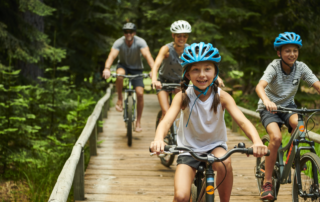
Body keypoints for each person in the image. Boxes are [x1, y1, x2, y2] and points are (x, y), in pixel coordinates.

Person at [150, 42, 268, 202]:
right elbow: (166, 121)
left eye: (207, 69)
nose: (202, 75)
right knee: (181, 196)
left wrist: (256, 141)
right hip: (188, 149)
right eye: (195, 70)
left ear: (215, 72)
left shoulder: (222, 97)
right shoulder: (183, 96)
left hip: (214, 147)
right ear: (187, 74)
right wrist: (158, 139)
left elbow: (243, 121)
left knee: (225, 162)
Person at [255, 32, 320, 200]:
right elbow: (260, 86)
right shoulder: (274, 67)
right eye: (287, 51)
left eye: (295, 50)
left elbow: (317, 84)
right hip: (268, 108)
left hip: (288, 107)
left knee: (300, 126)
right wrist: (267, 100)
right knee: (275, 139)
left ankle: (295, 158)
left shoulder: (301, 67)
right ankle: (267, 183)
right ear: (279, 53)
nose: (292, 54)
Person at [152, 20, 224, 121]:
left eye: (184, 36)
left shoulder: (189, 50)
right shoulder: (166, 49)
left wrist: (218, 77)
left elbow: (203, 63)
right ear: (173, 35)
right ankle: (160, 133)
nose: (182, 38)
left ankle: (176, 132)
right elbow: (156, 65)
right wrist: (155, 80)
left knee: (181, 109)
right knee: (166, 111)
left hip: (179, 82)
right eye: (179, 36)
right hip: (163, 81)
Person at [102, 22, 155, 132]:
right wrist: (107, 68)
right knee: (119, 75)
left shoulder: (140, 42)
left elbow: (147, 55)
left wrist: (153, 70)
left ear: (134, 33)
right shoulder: (119, 42)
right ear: (124, 33)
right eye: (126, 32)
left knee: (140, 93)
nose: (128, 34)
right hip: (123, 66)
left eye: (130, 32)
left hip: (137, 68)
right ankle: (120, 99)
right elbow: (112, 56)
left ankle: (138, 121)